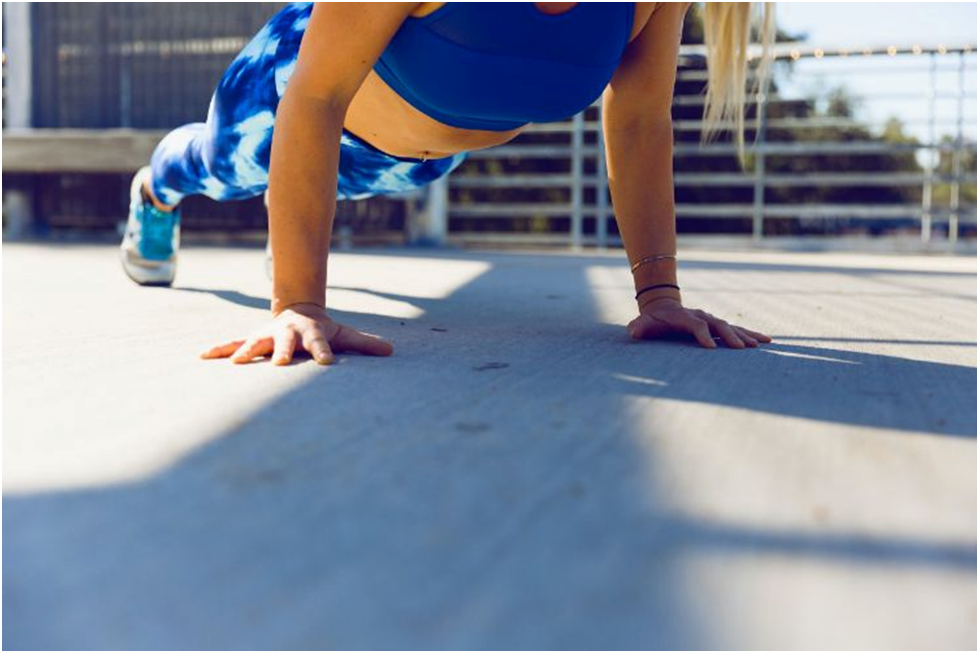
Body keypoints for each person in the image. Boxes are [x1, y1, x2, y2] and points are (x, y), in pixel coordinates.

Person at [119, 1, 774, 366]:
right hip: (285, 96)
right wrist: (300, 303)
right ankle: (154, 193)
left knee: (319, 192)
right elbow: (315, 97)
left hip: (414, 163)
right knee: (214, 166)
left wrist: (658, 293)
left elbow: (636, 120)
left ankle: (288, 225)